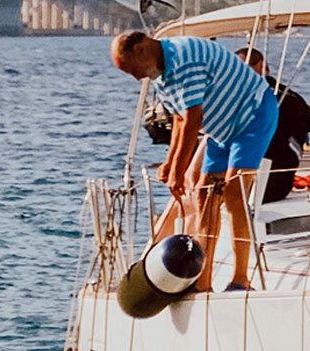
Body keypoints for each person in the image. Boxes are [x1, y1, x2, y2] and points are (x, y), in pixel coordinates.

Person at [110, 26, 275, 291]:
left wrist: (179, 171)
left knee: (234, 193)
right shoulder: (160, 76)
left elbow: (193, 118)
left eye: (132, 70)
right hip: (220, 129)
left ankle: (240, 279)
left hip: (253, 114)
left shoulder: (184, 58)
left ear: (140, 49)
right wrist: (170, 162)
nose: (137, 77)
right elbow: (178, 119)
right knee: (204, 196)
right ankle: (203, 282)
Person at [238, 46, 310, 204]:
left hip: (261, 185)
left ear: (260, 66)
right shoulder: (292, 98)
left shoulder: (283, 100)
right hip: (276, 185)